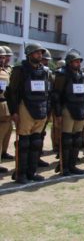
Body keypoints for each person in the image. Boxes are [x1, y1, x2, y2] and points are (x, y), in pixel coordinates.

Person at [7, 43, 50, 183]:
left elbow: (47, 92)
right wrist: (14, 111)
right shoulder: (20, 70)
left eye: (41, 53)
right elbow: (12, 92)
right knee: (24, 144)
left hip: (40, 108)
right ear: (30, 54)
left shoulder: (45, 71)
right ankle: (20, 174)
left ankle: (32, 173)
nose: (40, 55)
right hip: (25, 107)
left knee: (36, 142)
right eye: (37, 53)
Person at [52, 50, 84, 176]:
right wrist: (58, 113)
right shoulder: (62, 74)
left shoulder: (82, 75)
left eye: (79, 61)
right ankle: (64, 166)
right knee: (66, 139)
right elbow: (56, 94)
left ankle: (72, 165)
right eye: (75, 61)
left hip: (80, 109)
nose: (78, 63)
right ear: (69, 62)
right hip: (67, 108)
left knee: (77, 139)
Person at [0, 46, 14, 162]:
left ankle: (3, 152)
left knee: (7, 132)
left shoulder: (6, 70)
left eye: (4, 58)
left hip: (6, 107)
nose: (2, 60)